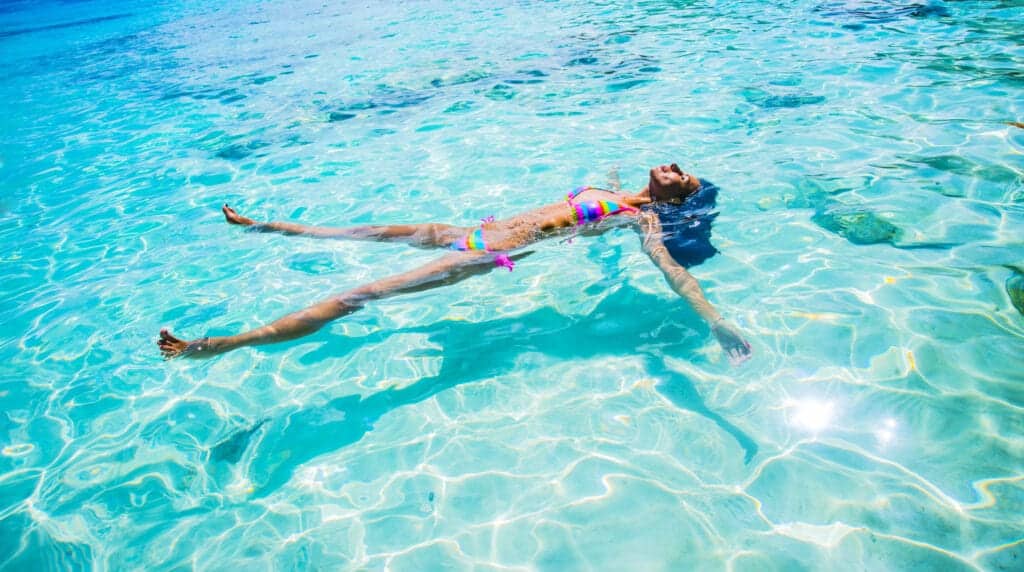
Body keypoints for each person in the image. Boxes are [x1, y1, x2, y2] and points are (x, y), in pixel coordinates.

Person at [158, 164, 753, 363]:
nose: (672, 166)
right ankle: (264, 224)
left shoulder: (641, 219)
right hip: (470, 228)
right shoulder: (618, 189)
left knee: (359, 294)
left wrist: (712, 319)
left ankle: (219, 345)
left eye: (682, 175)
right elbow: (608, 195)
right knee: (365, 229)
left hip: (490, 250)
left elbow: (670, 270)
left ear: (678, 197)